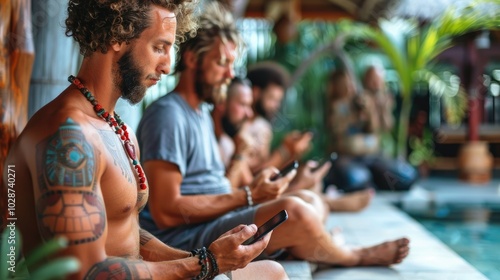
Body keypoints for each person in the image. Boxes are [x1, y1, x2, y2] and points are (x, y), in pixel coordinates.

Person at [2, 1, 288, 279]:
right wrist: (206, 265)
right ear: (117, 37)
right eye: (159, 47)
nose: (167, 65)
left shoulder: (115, 126)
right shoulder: (68, 139)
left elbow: (124, 230)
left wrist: (203, 258)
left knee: (270, 272)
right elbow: (84, 273)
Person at [138, 2, 410, 267]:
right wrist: (248, 195)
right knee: (299, 211)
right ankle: (353, 256)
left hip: (218, 218)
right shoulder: (168, 114)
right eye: (222, 63)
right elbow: (165, 212)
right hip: (187, 236)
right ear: (192, 59)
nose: (229, 74)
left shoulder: (198, 114)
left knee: (310, 200)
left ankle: (314, 249)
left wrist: (254, 189)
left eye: (232, 64)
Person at [244, 62, 374, 212]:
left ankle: (326, 201)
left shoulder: (262, 125)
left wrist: (292, 153)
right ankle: (331, 202)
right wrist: (285, 151)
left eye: (278, 101)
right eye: (272, 98)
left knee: (310, 177)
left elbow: (267, 169)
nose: (276, 106)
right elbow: (254, 179)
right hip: (251, 195)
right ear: (255, 92)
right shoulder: (245, 127)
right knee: (309, 194)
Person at [324, 67, 418, 192]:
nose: (350, 87)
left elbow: (377, 129)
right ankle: (369, 180)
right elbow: (337, 129)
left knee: (406, 177)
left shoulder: (369, 100)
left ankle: (374, 179)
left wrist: (372, 112)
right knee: (355, 179)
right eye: (346, 83)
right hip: (348, 157)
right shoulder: (338, 105)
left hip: (372, 156)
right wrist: (354, 115)